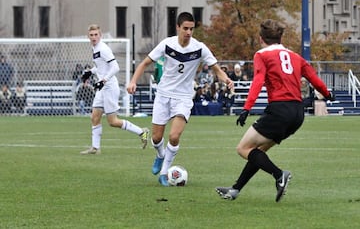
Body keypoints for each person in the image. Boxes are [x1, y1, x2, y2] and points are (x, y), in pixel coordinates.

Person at [215, 19, 335, 202]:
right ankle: (235, 190)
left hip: (280, 110)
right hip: (298, 113)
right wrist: (327, 94)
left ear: (261, 38)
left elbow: (258, 81)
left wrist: (247, 108)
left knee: (243, 148)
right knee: (259, 152)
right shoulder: (295, 56)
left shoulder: (262, 55)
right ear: (281, 37)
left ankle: (279, 175)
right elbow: (314, 79)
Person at [127, 12, 234, 186]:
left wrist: (227, 80)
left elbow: (216, 69)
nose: (189, 32)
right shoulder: (167, 45)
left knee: (174, 136)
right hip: (163, 95)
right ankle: (160, 155)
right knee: (156, 138)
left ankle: (164, 173)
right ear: (177, 27)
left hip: (183, 97)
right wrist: (133, 81)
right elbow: (145, 63)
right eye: (185, 28)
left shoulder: (199, 48)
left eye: (191, 29)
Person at [80, 24, 149, 154]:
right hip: (103, 87)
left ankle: (142, 132)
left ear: (100, 35)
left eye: (96, 35)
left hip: (109, 87)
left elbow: (115, 67)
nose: (94, 37)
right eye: (91, 35)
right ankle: (95, 148)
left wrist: (104, 80)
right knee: (95, 117)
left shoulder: (103, 49)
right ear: (88, 36)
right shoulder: (94, 48)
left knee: (113, 121)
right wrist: (90, 72)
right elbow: (101, 67)